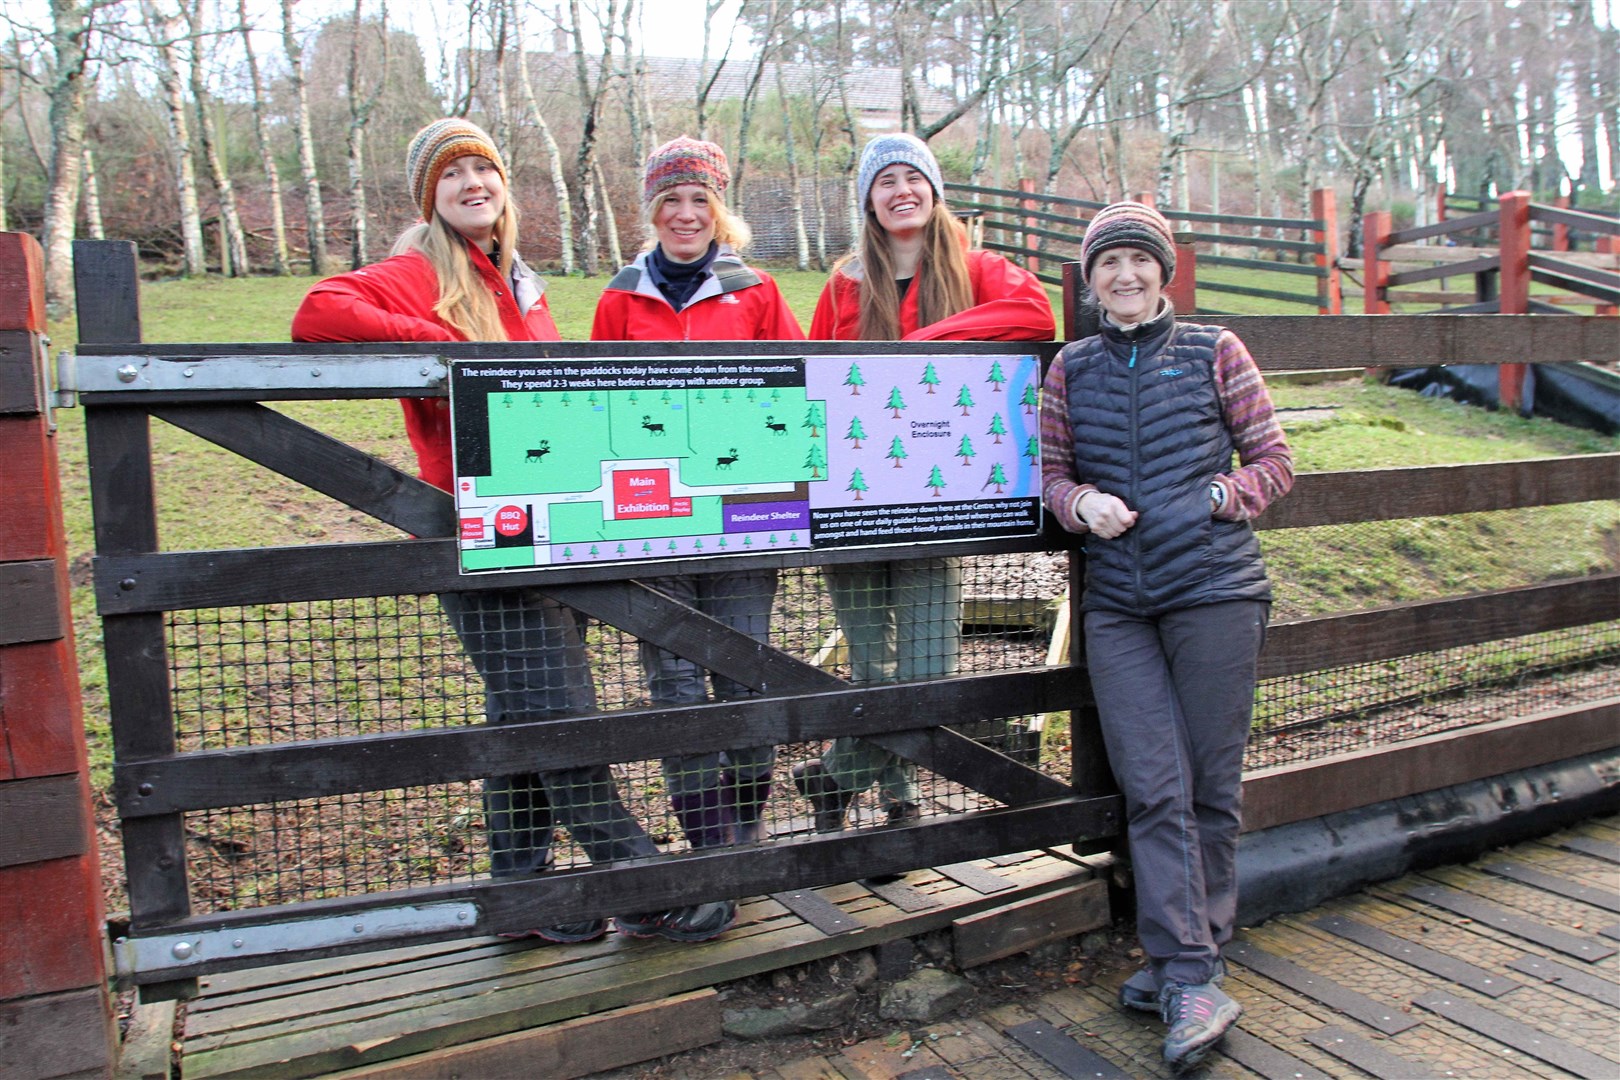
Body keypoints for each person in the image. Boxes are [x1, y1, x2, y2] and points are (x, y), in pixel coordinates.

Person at [291, 118, 734, 945]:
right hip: (464, 526)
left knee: (521, 712)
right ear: (431, 196)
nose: (472, 183)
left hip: (539, 525)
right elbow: (318, 314)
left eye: (484, 170)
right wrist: (454, 347)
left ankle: (519, 896)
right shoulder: (417, 270)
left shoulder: (518, 282)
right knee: (559, 711)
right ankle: (640, 881)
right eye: (452, 173)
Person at [1039, 201, 1293, 1071]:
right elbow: (1052, 474)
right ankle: (1192, 965)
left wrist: (1222, 498)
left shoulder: (1216, 350)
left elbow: (1274, 462)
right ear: (1089, 278)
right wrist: (1080, 506)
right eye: (1107, 264)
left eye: (1139, 261)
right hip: (1120, 604)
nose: (1125, 277)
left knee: (1210, 783)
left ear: (1164, 270)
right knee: (1153, 783)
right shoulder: (1072, 367)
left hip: (1216, 591)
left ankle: (1188, 962)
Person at [798, 133, 1054, 833]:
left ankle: (832, 776)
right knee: (873, 670)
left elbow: (1037, 316)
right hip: (853, 502)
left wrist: (925, 345)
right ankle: (899, 796)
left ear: (934, 191)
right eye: (885, 182)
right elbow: (812, 380)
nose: (900, 190)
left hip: (939, 503)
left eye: (913, 177)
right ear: (868, 203)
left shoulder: (978, 269)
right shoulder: (844, 286)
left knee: (928, 667)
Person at [591, 137, 805, 932]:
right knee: (675, 686)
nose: (685, 215)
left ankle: (742, 833)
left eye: (699, 201)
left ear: (720, 210)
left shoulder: (757, 292)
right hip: (653, 526)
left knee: (742, 673)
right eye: (670, 202)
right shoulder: (621, 297)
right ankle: (711, 849)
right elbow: (593, 401)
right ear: (653, 212)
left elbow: (795, 390)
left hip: (746, 517)